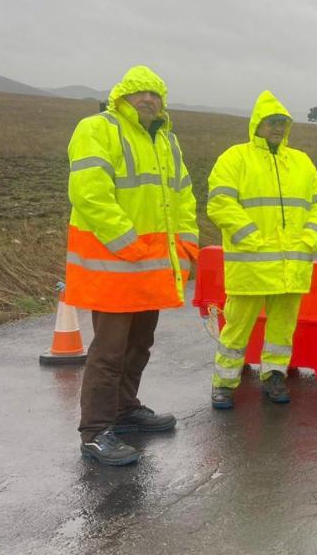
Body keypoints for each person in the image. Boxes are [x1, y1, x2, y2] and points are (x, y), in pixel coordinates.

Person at [66, 65, 199, 466]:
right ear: (122, 98)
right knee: (109, 352)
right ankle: (96, 432)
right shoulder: (97, 128)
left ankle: (125, 411)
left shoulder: (166, 141)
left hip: (151, 268)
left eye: (155, 94)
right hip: (111, 266)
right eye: (139, 93)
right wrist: (128, 243)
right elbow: (90, 193)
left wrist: (188, 245)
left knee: (140, 344)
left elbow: (183, 196)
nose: (148, 100)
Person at [207, 90, 317, 409]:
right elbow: (220, 203)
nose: (277, 128)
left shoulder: (301, 162)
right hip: (250, 264)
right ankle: (224, 383)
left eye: (282, 123)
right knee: (237, 326)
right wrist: (250, 238)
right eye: (270, 122)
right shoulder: (235, 158)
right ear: (256, 125)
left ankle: (274, 375)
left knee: (282, 327)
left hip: (292, 265)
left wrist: (311, 238)